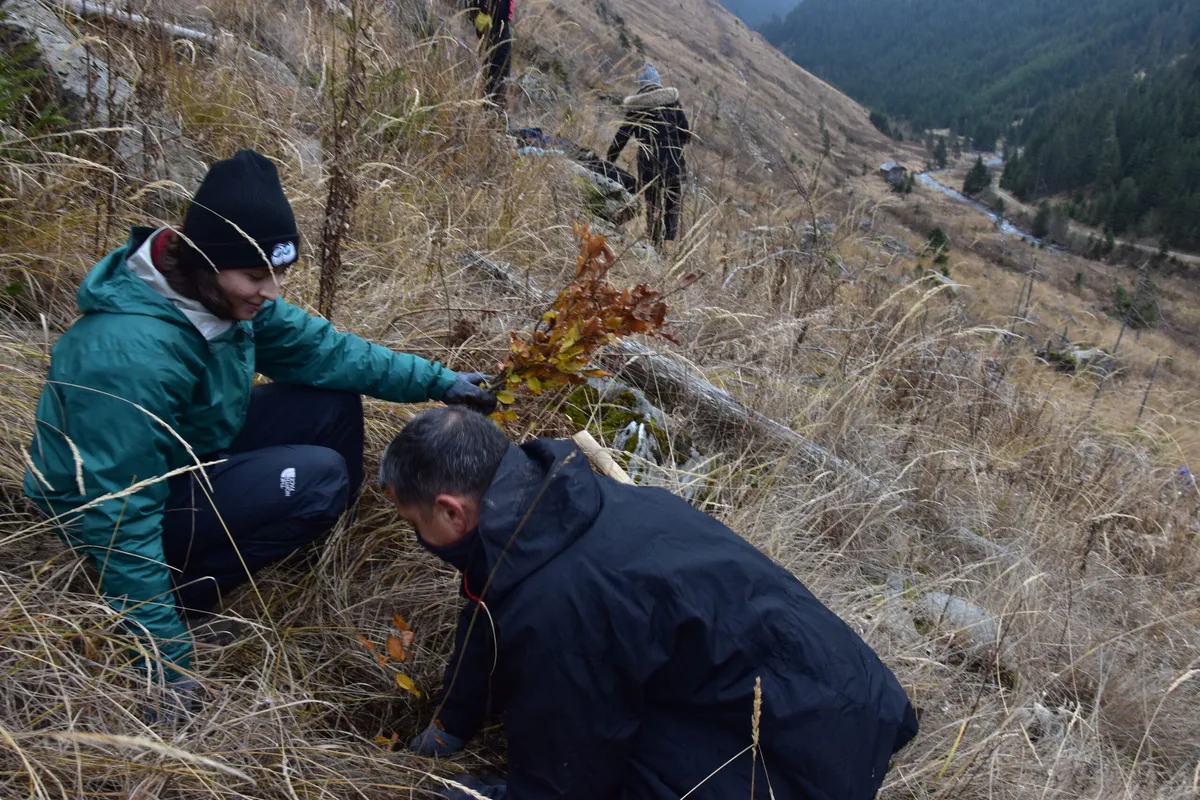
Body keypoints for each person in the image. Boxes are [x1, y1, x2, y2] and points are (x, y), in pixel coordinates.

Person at [23, 149, 497, 704]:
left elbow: (326, 352)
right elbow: (115, 519)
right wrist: (164, 665)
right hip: (120, 507)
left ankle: (307, 519)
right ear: (203, 260)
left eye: (278, 274)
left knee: (332, 405)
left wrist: (440, 382)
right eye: (256, 276)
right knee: (318, 477)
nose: (270, 291)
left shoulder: (219, 296)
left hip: (191, 446)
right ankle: (190, 591)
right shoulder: (128, 357)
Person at [382, 408, 918, 799]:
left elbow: (570, 770)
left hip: (805, 765)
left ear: (453, 513)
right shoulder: (557, 508)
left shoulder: (561, 606)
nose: (415, 536)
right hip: (853, 704)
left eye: (413, 523)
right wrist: (449, 726)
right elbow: (486, 613)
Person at [606, 63, 692, 247]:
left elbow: (621, 137)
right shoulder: (672, 102)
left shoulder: (637, 108)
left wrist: (609, 160)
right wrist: (677, 145)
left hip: (648, 164)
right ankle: (669, 242)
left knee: (653, 204)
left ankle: (654, 243)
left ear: (642, 84)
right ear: (658, 82)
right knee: (673, 202)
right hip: (673, 162)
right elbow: (685, 132)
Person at [466, 0, 514, 110]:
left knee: (493, 76)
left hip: (491, 21)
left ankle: (490, 115)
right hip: (496, 23)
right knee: (498, 77)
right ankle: (492, 117)